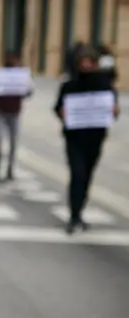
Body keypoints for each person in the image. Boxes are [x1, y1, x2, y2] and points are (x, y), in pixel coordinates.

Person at [54, 47, 120, 235]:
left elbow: (113, 110)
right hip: (74, 139)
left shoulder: (104, 85)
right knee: (78, 174)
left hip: (95, 138)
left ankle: (79, 211)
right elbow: (58, 107)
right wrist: (62, 113)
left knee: (87, 176)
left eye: (89, 62)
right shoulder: (69, 85)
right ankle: (74, 215)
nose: (86, 66)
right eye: (83, 63)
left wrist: (114, 111)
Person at [0, 53, 33, 181]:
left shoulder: (23, 76)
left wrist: (22, 88)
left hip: (15, 112)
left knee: (13, 142)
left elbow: (29, 91)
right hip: (1, 112)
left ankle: (10, 168)